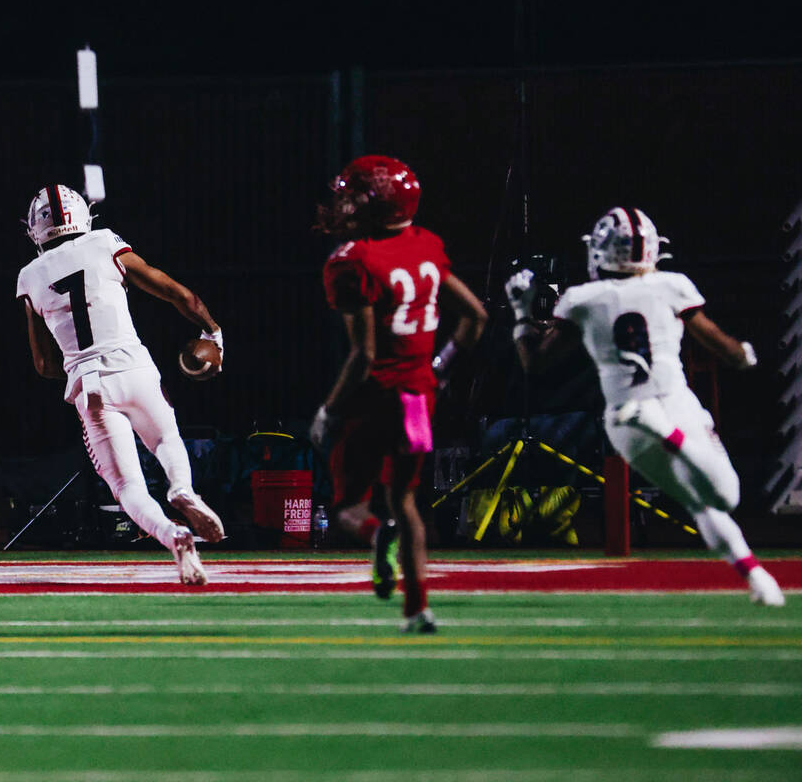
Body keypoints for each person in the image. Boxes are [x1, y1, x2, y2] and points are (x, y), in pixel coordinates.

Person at [507, 206, 784, 606]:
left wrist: (520, 314)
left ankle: (756, 576)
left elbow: (535, 363)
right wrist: (744, 354)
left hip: (624, 421)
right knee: (726, 497)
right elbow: (722, 347)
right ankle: (668, 433)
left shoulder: (582, 299)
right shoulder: (671, 287)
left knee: (698, 502)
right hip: (673, 403)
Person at [310, 155, 489, 632]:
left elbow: (364, 354)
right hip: (419, 398)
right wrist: (438, 368)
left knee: (350, 508)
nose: (343, 203)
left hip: (376, 398)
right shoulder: (427, 244)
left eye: (352, 195)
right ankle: (418, 609)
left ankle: (376, 539)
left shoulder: (353, 261)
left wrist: (328, 409)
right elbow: (476, 317)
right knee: (405, 501)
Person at [16, 184, 225, 584]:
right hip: (134, 365)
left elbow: (44, 364)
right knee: (166, 440)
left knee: (127, 488)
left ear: (36, 230)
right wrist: (212, 331)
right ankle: (183, 489)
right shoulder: (104, 243)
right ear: (82, 215)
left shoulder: (29, 277)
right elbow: (176, 292)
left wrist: (80, 368)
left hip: (90, 385)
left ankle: (174, 534)